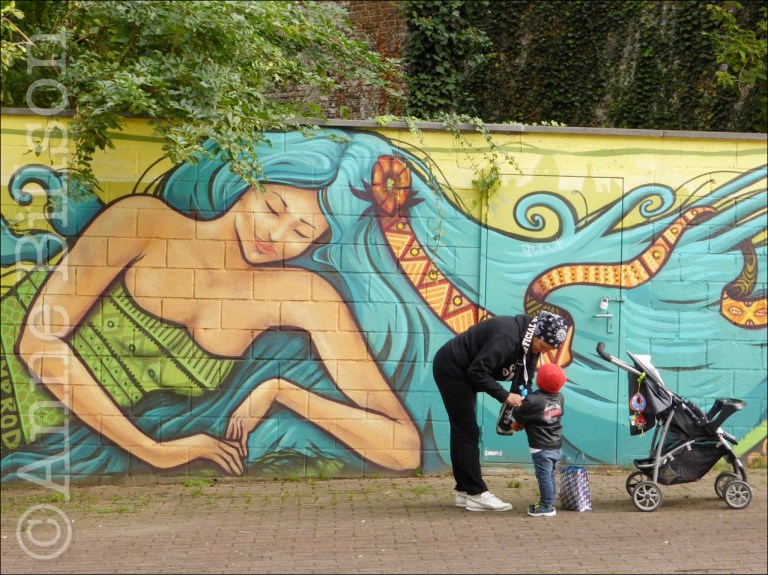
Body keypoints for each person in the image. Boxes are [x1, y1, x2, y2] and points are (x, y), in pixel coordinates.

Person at [431, 310, 569, 511]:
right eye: (542, 346)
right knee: (467, 430)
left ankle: (464, 490)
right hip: (452, 369)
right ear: (537, 333)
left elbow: (523, 383)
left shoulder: (530, 344)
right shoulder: (508, 338)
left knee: (462, 430)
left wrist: (520, 417)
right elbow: (477, 371)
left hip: (464, 372)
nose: (540, 351)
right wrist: (504, 396)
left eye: (547, 349)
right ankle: (476, 493)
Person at [510, 362, 567, 517]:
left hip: (541, 446)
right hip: (556, 444)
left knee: (543, 475)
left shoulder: (533, 400)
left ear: (540, 380)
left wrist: (522, 400)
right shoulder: (560, 397)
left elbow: (518, 414)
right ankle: (550, 501)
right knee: (549, 474)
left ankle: (547, 506)